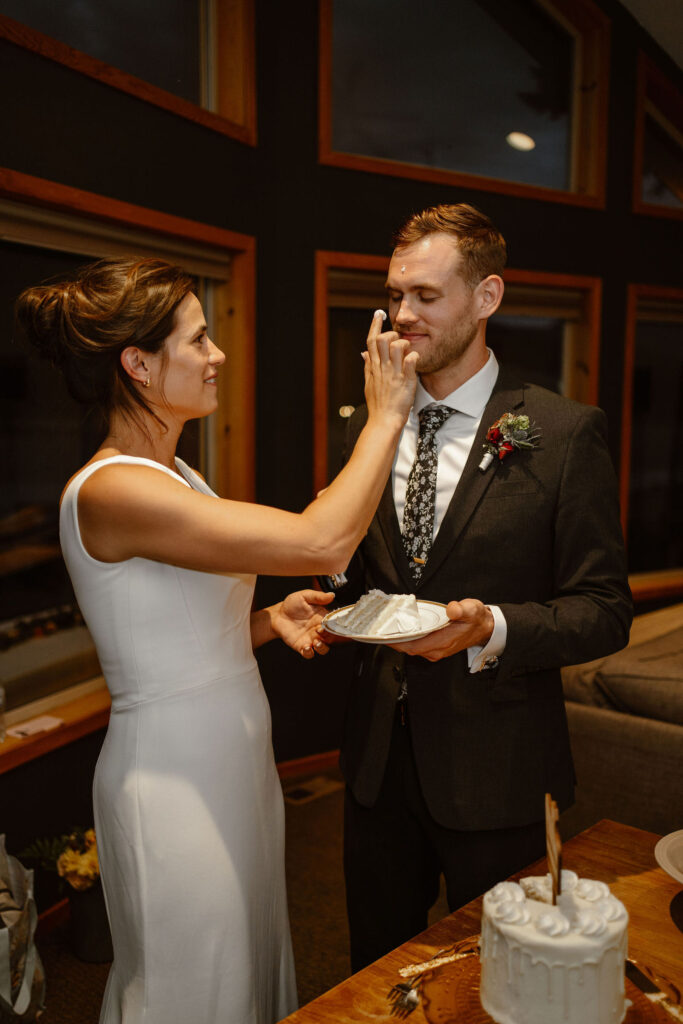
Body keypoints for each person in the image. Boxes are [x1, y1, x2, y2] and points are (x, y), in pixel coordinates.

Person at [15, 256, 418, 1024]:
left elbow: (176, 628)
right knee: (188, 984)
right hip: (171, 779)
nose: (218, 354)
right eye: (198, 340)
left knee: (243, 965)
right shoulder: (113, 488)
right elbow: (322, 541)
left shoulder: (177, 476)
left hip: (231, 761)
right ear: (137, 364)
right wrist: (387, 415)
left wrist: (266, 622)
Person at [329, 203, 633, 971]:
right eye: (394, 295)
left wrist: (490, 626)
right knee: (376, 970)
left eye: (425, 297)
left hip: (499, 773)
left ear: (486, 297)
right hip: (375, 771)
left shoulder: (562, 434)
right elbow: (362, 577)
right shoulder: (367, 426)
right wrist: (328, 599)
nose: (402, 316)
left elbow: (603, 612)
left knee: (501, 976)